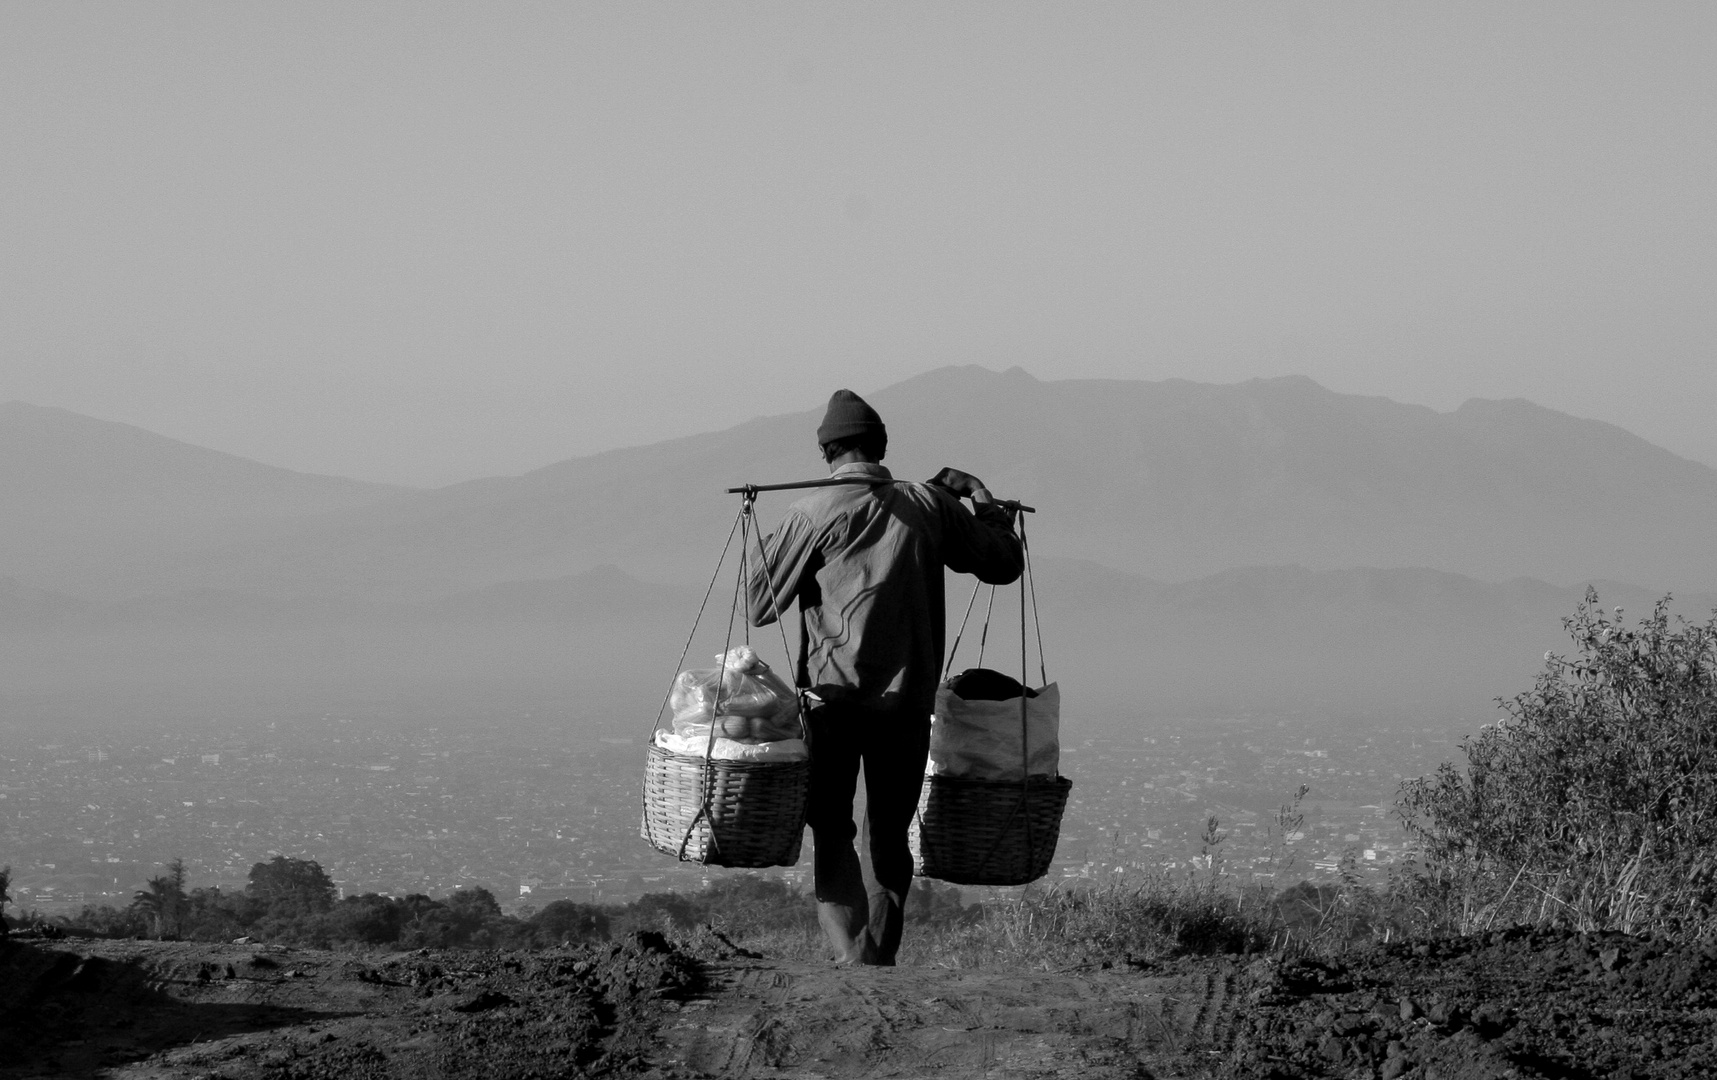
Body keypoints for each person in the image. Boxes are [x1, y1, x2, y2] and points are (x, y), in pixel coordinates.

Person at [746, 389, 1024, 965]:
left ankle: (852, 953)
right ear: (880, 447)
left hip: (832, 700)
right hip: (907, 705)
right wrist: (979, 498)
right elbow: (1003, 562)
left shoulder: (813, 512)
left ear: (828, 454)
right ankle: (876, 956)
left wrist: (776, 539)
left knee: (831, 828)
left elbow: (758, 602)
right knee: (890, 834)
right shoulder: (928, 504)